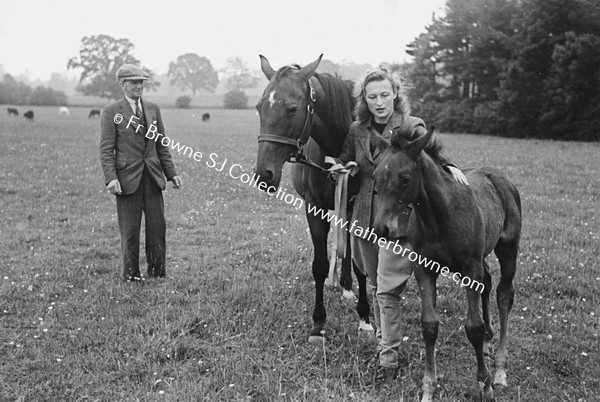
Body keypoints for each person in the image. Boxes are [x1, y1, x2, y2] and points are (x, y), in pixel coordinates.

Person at [330, 68, 469, 385]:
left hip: (402, 222)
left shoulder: (410, 126)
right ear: (364, 99)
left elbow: (433, 160)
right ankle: (384, 338)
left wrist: (451, 167)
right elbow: (346, 158)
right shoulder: (357, 129)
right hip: (366, 218)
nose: (379, 102)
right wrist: (341, 167)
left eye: (384, 95)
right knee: (377, 285)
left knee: (388, 288)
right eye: (372, 96)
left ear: (395, 94)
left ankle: (388, 355)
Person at [100, 64, 182, 282]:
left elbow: (161, 145)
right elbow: (107, 149)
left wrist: (171, 173)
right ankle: (131, 275)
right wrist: (111, 178)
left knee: (157, 228)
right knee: (130, 231)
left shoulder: (153, 109)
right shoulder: (111, 111)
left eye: (141, 82)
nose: (138, 86)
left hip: (153, 177)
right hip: (127, 180)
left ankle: (157, 272)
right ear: (122, 84)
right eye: (133, 82)